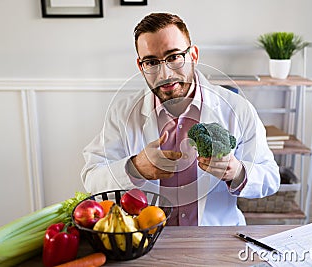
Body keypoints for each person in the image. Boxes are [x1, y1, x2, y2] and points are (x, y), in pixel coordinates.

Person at [81, 12, 280, 226]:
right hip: (148, 240)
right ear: (141, 67)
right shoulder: (122, 113)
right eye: (151, 62)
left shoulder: (237, 109)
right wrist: (135, 168)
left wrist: (237, 171)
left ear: (193, 55)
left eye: (174, 57)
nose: (165, 73)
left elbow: (270, 178)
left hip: (215, 239)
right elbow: (92, 177)